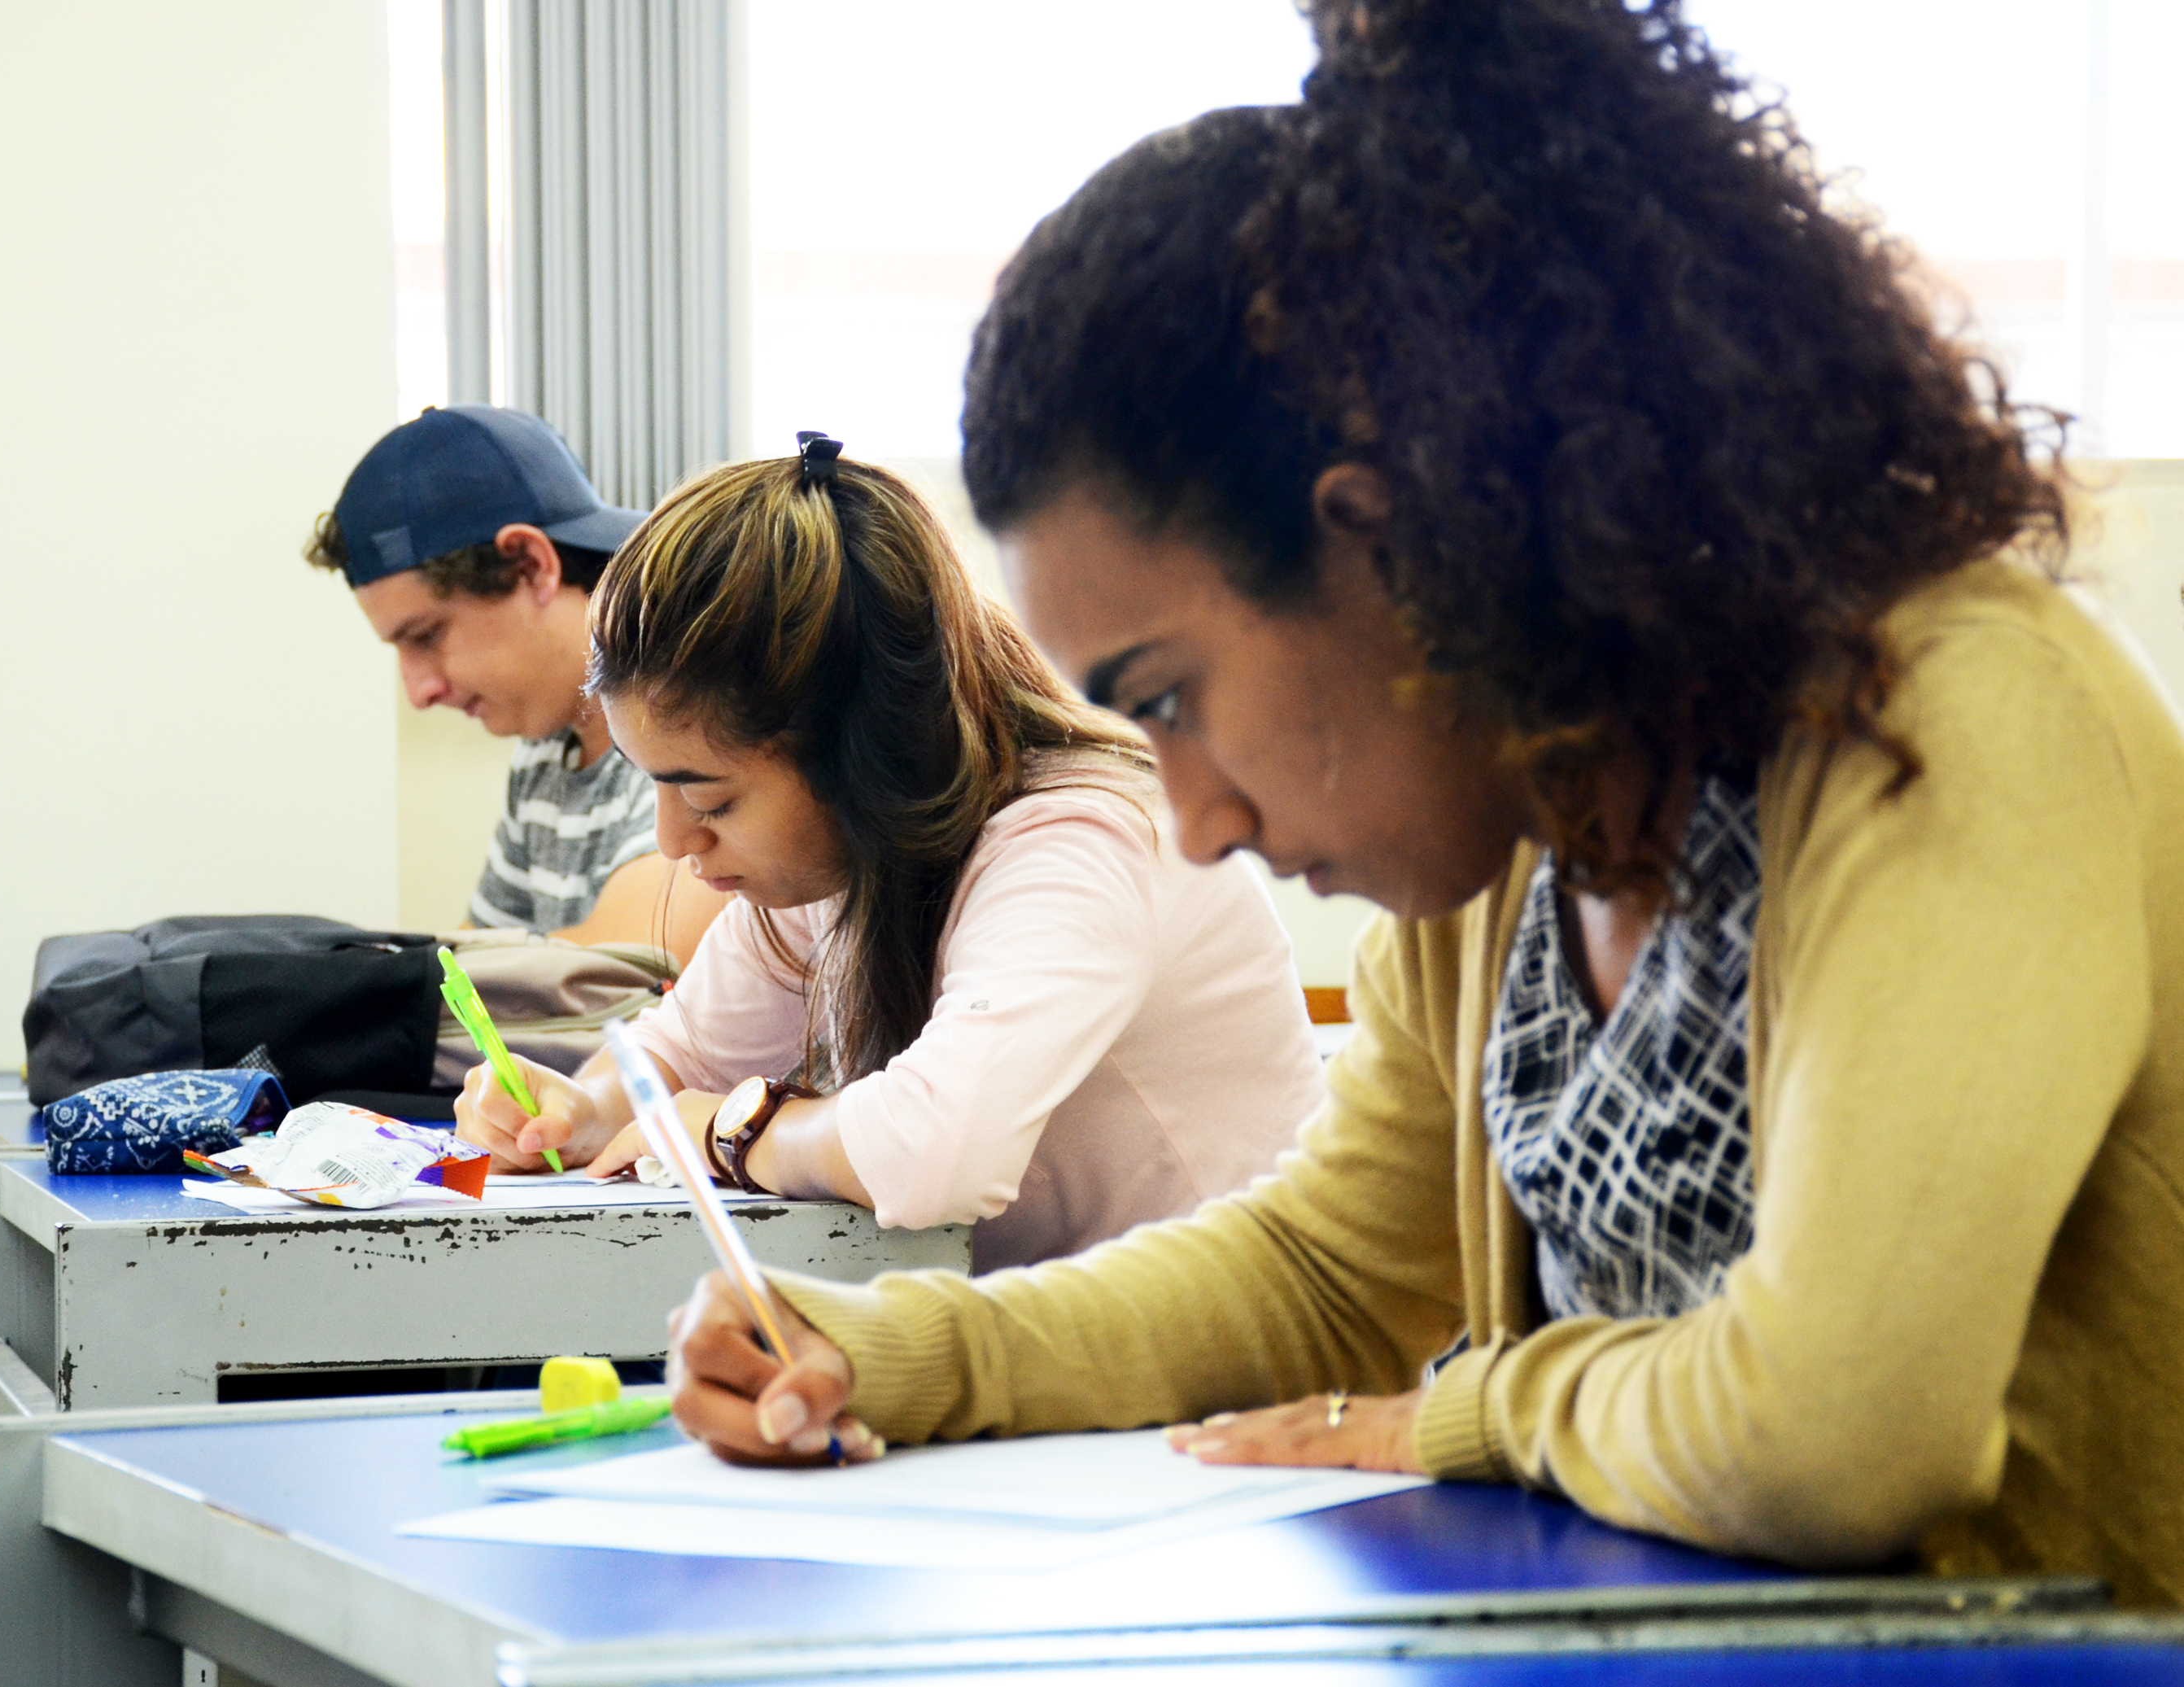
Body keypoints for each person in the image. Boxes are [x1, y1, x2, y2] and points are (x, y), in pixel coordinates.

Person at [659, 1, 2184, 1606]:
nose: (1191, 819)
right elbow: (1330, 1273)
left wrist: (1476, 1406)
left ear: (1391, 545)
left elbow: (1836, 1430)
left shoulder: (1953, 716)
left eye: (1169, 697)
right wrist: (892, 1351)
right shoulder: (1523, 835)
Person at [452, 437, 1326, 1272]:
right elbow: (677, 1055)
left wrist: (731, 1130)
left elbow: (940, 1151)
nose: (674, 843)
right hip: (1063, 1353)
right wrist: (578, 1110)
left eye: (710, 798)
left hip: (1246, 1384)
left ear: (863, 754)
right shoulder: (832, 870)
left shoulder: (1082, 841)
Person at [306, 404, 730, 958]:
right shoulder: (546, 748)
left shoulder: (691, 707)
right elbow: (476, 972)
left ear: (532, 565)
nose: (419, 691)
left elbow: (633, 962)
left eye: (427, 634)